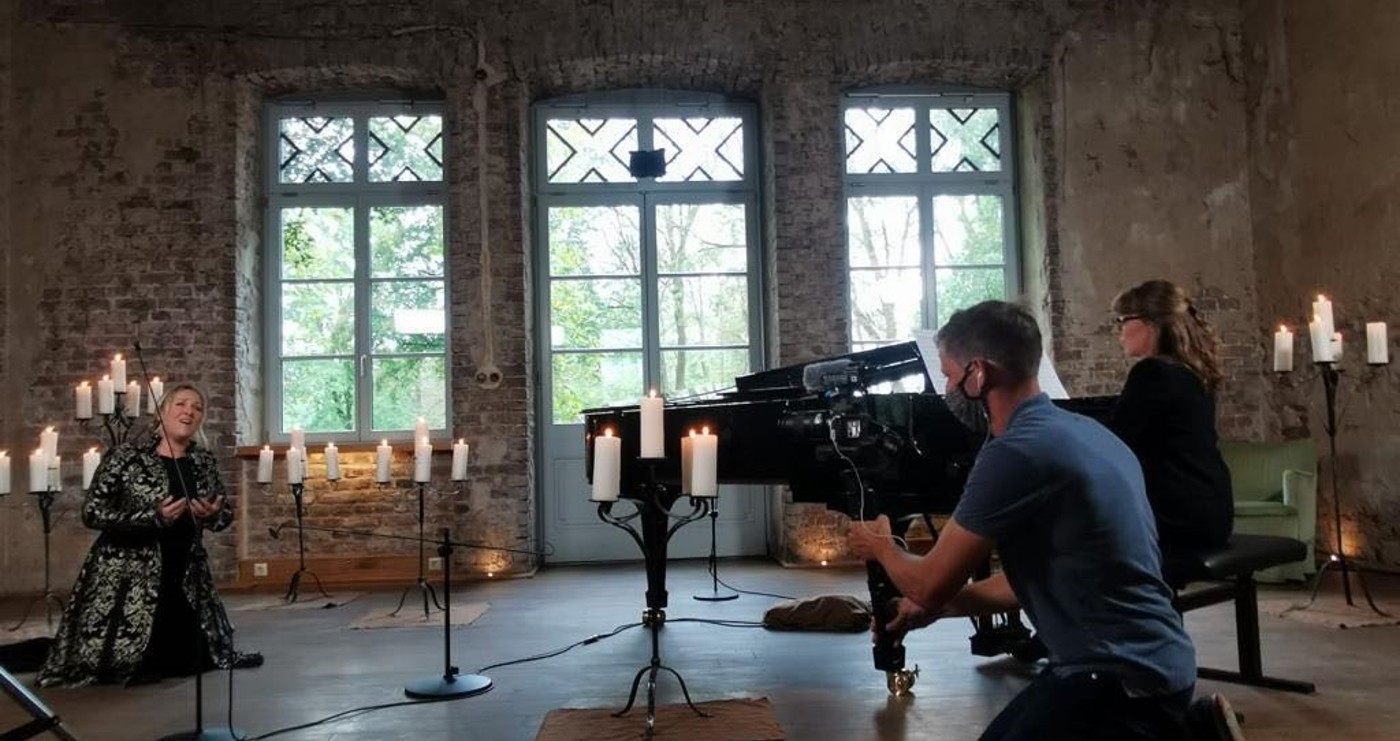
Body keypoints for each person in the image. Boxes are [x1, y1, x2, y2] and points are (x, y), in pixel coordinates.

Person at [849, 301, 1198, 740]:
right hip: (1158, 662)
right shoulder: (1090, 433)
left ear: (978, 374)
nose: (948, 388)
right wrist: (935, 611)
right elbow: (1025, 583)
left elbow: (927, 584)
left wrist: (880, 545)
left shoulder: (1016, 451)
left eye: (950, 375)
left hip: (1118, 679)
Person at [38, 383, 261, 687]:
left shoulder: (203, 461)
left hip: (184, 571)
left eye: (197, 407)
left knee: (193, 658)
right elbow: (93, 512)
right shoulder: (126, 457)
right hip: (128, 577)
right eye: (181, 404)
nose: (189, 411)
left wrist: (211, 514)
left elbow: (224, 516)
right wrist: (152, 517)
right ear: (162, 411)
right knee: (134, 662)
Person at [1110, 280, 1234, 560]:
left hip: (1178, 518)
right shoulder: (1192, 372)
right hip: (1211, 511)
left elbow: (1116, 442)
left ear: (1150, 324)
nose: (1119, 331)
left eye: (1123, 320)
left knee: (1083, 529)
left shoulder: (1152, 372)